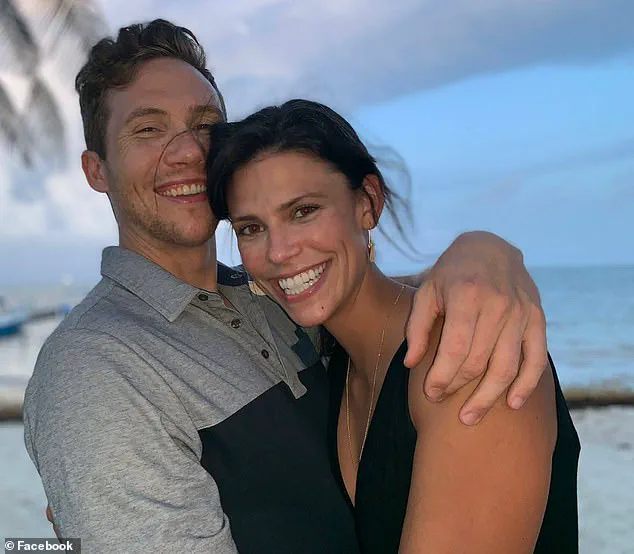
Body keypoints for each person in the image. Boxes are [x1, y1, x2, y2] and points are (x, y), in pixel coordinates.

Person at [24, 20, 552, 553]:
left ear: (368, 201)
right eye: (147, 130)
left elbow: (368, 295)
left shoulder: (278, 302)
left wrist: (482, 254)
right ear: (96, 171)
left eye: (205, 125)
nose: (188, 152)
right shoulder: (93, 366)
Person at [206, 99, 581, 553]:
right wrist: (481, 249)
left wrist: (485, 248)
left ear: (368, 202)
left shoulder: (465, 356)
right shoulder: (331, 358)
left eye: (303, 211)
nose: (279, 251)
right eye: (250, 228)